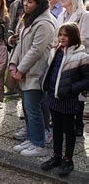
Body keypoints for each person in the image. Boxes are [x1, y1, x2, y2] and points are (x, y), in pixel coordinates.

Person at [10, 0, 56, 157]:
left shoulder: (45, 24)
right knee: (29, 108)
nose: (26, 4)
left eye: (30, 2)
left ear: (39, 4)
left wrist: (20, 69)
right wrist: (13, 64)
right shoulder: (30, 20)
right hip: (25, 71)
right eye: (25, 1)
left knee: (32, 108)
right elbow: (20, 44)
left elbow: (36, 50)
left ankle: (39, 144)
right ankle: (32, 138)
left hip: (36, 73)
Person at [40, 22, 89, 176]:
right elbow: (51, 69)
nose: (62, 38)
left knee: (69, 130)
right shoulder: (55, 51)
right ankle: (56, 156)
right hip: (54, 97)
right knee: (57, 128)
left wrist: (71, 89)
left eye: (65, 35)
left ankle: (68, 159)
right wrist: (46, 84)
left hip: (69, 99)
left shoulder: (82, 56)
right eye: (60, 34)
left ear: (73, 36)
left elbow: (87, 79)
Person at [56, 0, 89, 136]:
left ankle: (78, 123)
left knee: (79, 90)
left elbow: (86, 37)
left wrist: (69, 43)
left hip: (79, 56)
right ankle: (65, 119)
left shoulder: (85, 15)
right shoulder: (61, 15)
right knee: (65, 87)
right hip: (63, 56)